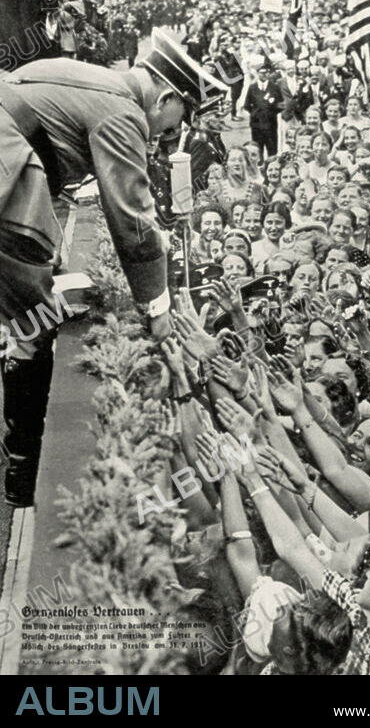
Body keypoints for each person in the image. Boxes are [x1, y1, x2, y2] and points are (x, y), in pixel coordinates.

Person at [0, 28, 227, 506]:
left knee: (36, 295)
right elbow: (133, 223)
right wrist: (157, 308)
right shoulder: (123, 111)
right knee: (35, 323)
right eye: (172, 122)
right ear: (164, 96)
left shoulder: (95, 80)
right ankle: (22, 466)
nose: (166, 135)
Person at [243, 63, 283, 162]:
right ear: (257, 74)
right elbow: (247, 105)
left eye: (266, 73)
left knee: (272, 151)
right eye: (261, 73)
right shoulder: (252, 88)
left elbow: (281, 105)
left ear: (269, 73)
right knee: (257, 150)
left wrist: (271, 112)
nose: (264, 75)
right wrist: (256, 113)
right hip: (257, 125)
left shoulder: (274, 87)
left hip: (271, 125)